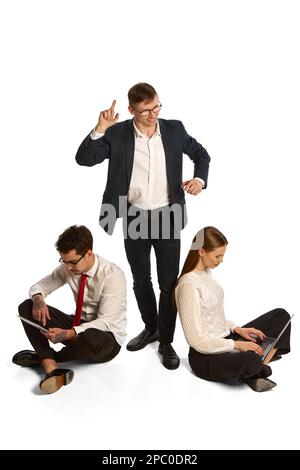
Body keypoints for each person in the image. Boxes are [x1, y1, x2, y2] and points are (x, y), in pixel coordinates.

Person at [75, 82, 210, 370]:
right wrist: (99, 129)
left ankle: (166, 341)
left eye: (157, 107)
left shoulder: (175, 129)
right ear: (131, 110)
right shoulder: (117, 134)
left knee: (168, 283)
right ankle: (151, 328)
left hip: (168, 215)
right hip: (134, 216)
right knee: (141, 280)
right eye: (146, 110)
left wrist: (199, 179)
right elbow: (84, 160)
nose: (153, 114)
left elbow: (202, 155)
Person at [12, 225, 127, 394]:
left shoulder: (112, 275)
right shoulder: (69, 267)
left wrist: (70, 333)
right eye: (64, 262)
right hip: (77, 327)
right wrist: (38, 300)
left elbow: (106, 322)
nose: (68, 268)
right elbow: (40, 286)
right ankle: (52, 368)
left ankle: (45, 358)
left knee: (91, 336)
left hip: (106, 340)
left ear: (89, 253)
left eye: (72, 262)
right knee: (27, 307)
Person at [175, 226, 291, 391]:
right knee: (251, 361)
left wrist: (238, 329)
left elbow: (214, 317)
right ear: (201, 252)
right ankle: (256, 365)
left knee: (280, 316)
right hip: (206, 356)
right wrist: (236, 346)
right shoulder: (187, 284)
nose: (221, 260)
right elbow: (197, 341)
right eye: (218, 256)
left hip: (226, 339)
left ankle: (258, 365)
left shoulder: (206, 274)